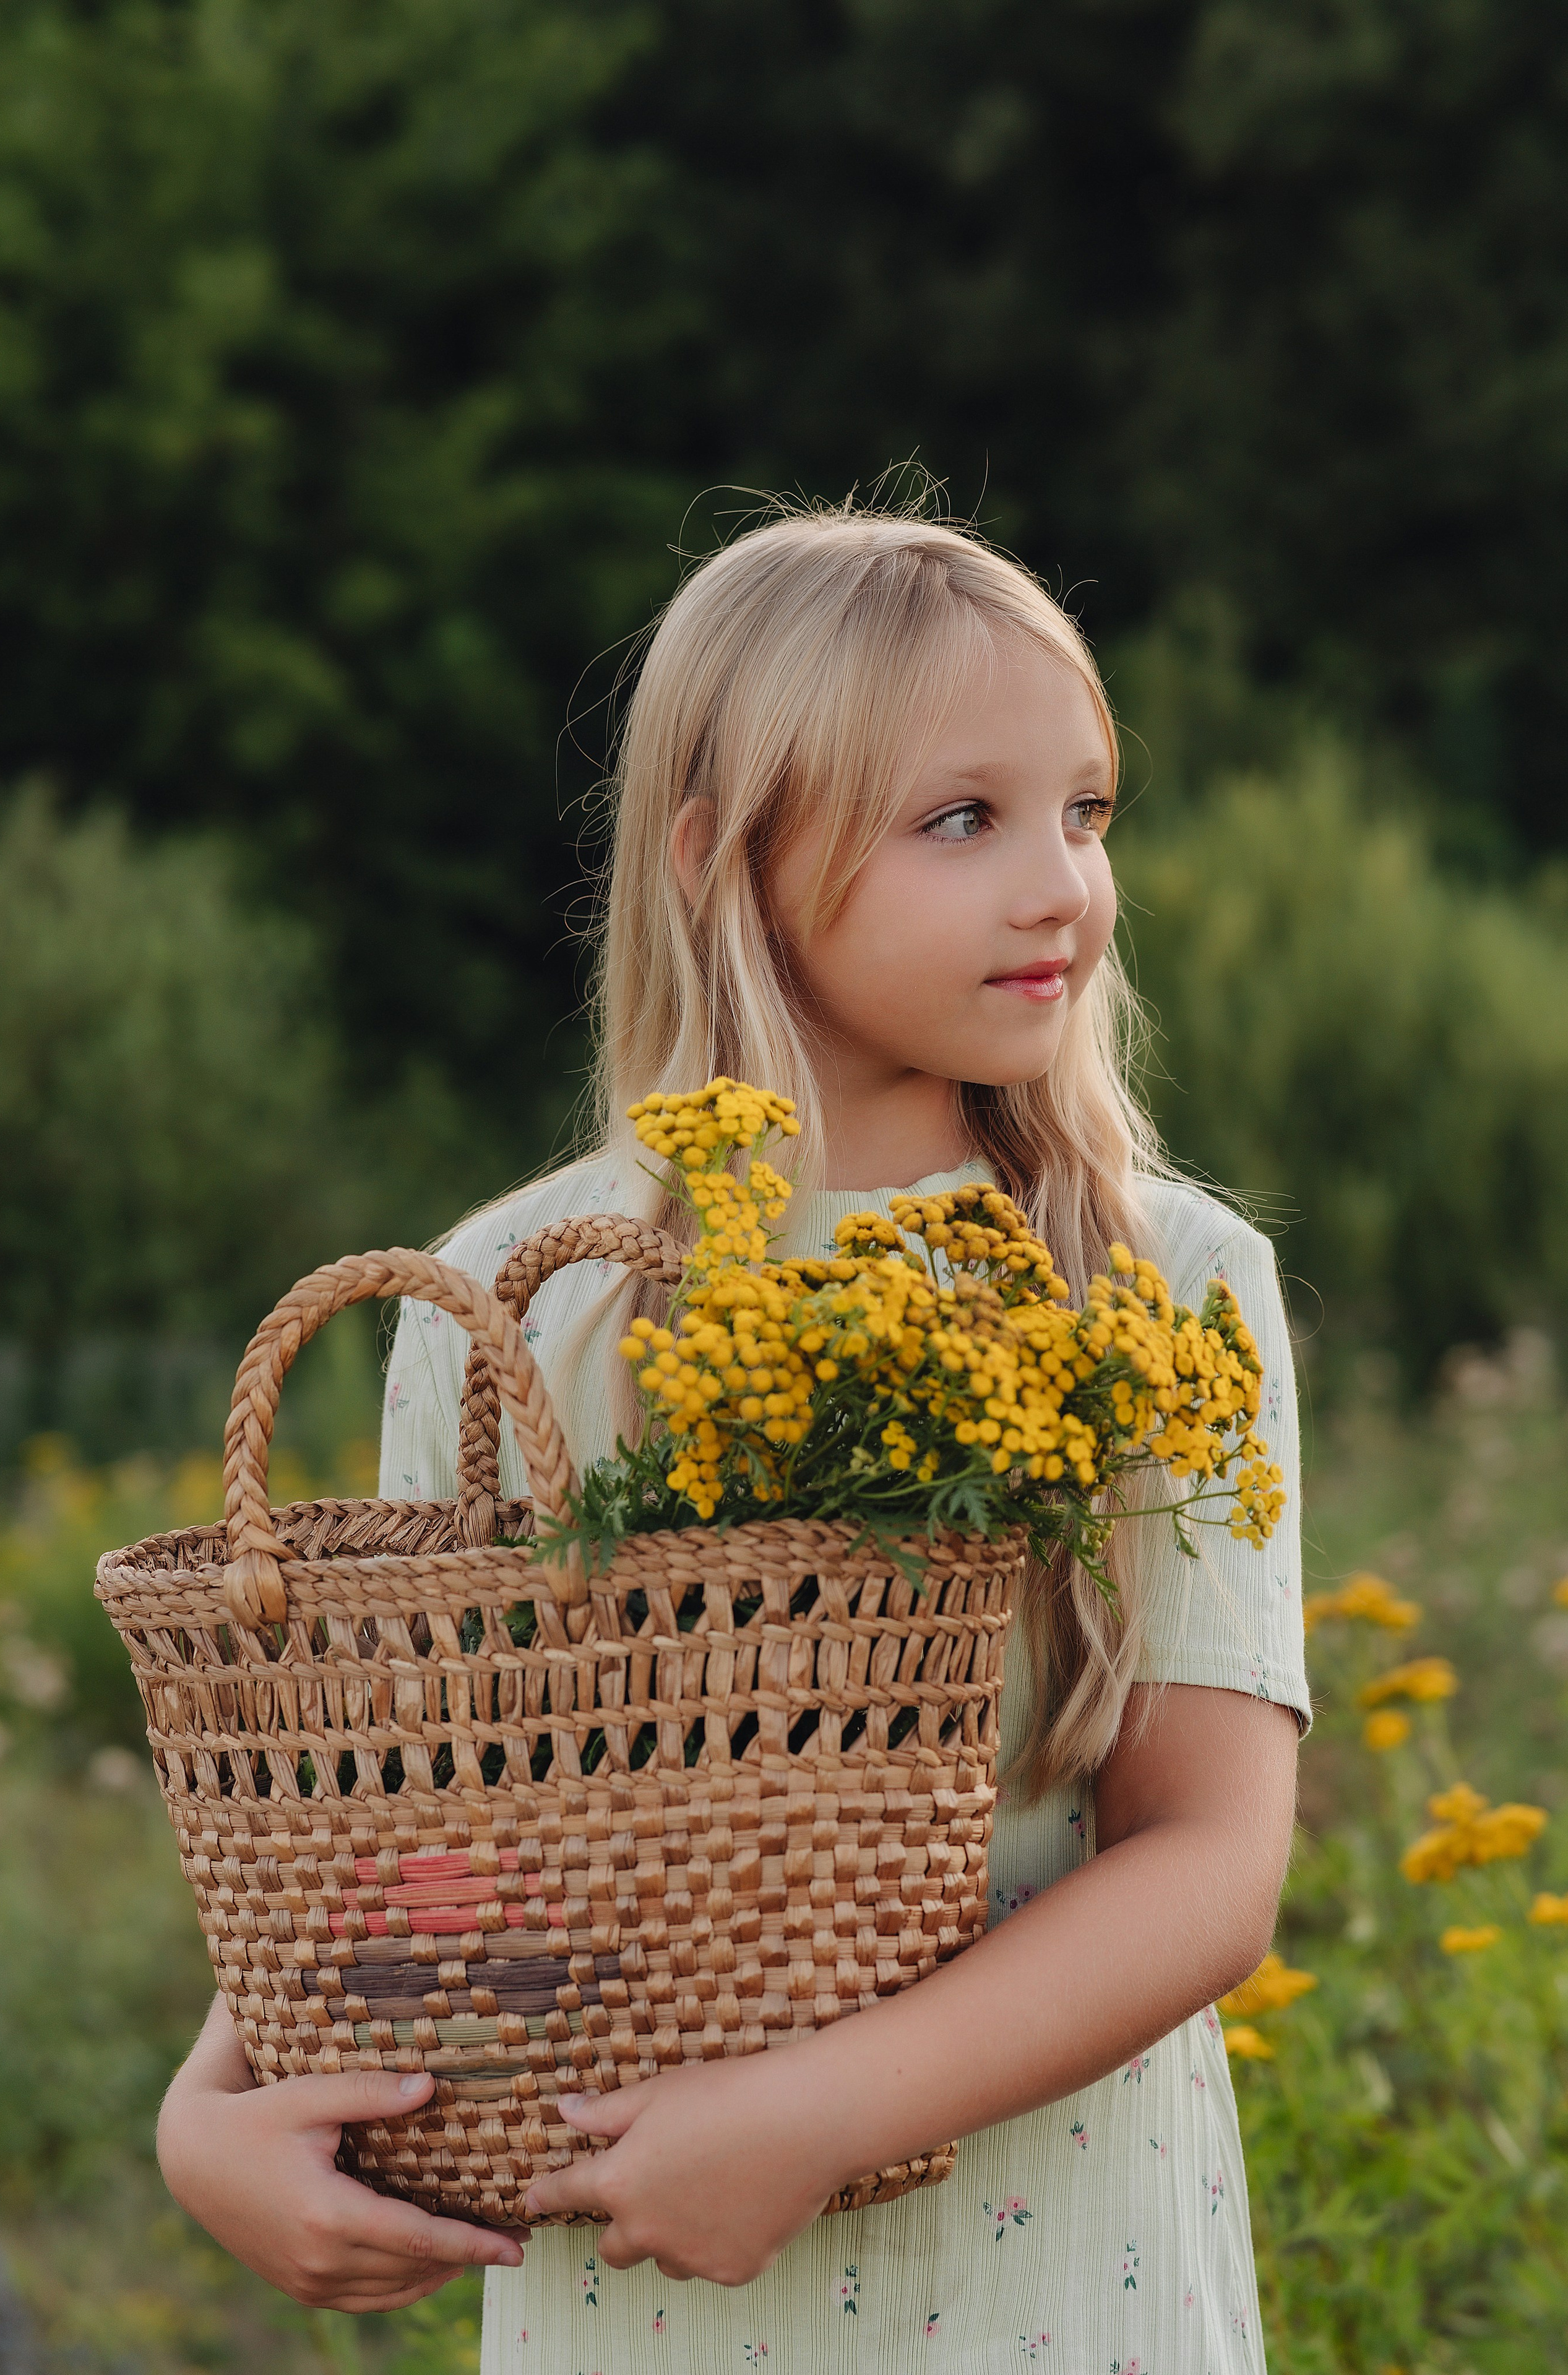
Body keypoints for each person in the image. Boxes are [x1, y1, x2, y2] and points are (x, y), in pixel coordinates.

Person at [158, 503, 1309, 2370]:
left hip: (1055, 2297)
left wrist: (822, 2110)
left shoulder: (1156, 1277)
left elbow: (1206, 1867)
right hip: (642, 2311)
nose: (1064, 889)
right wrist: (210, 2113)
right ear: (723, 861)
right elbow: (415, 1834)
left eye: (1087, 813)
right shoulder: (510, 1302)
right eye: (964, 820)